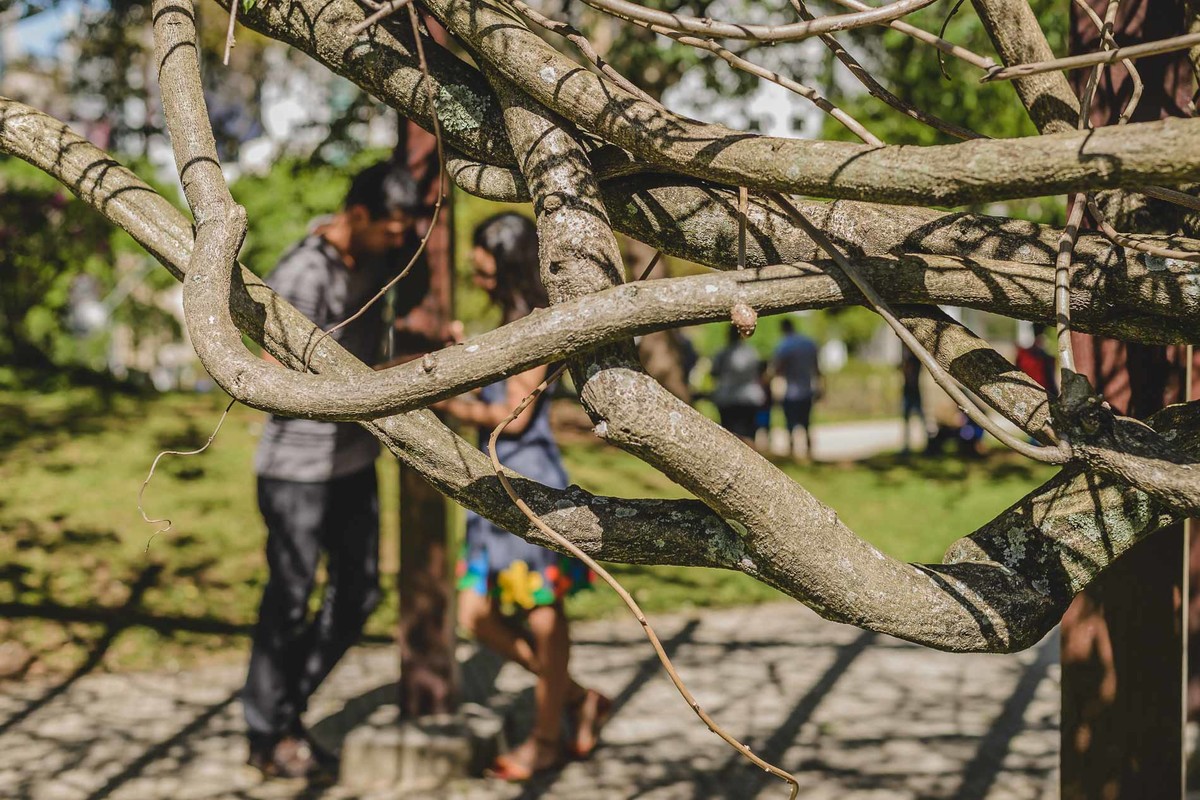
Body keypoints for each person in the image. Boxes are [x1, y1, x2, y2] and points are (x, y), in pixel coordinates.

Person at [244, 161, 425, 780]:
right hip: (296, 473)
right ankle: (268, 731)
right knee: (290, 600)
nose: (398, 242)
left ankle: (284, 710)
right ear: (358, 215)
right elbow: (272, 372)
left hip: (352, 464)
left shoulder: (372, 260)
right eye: (391, 231)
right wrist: (380, 381)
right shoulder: (303, 273)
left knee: (360, 593)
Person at [438, 213, 609, 781]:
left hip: (528, 481)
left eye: (484, 268)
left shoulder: (535, 326)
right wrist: (463, 353)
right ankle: (577, 697)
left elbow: (512, 417)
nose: (477, 276)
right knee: (475, 614)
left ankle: (545, 739)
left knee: (541, 613)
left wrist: (445, 403)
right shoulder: (508, 324)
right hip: (495, 484)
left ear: (507, 262)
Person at [772, 318, 822, 459]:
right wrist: (821, 387)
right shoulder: (808, 343)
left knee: (790, 425)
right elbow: (817, 368)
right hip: (806, 389)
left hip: (791, 391)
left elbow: (778, 369)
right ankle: (809, 452)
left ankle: (791, 452)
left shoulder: (784, 345)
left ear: (783, 328)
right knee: (807, 424)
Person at [709, 325, 767, 442]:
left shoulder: (722, 353)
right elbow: (759, 371)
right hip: (749, 398)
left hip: (728, 398)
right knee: (748, 434)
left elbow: (714, 373)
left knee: (729, 435)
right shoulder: (751, 352)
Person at [899, 347, 926, 455]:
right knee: (908, 418)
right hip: (908, 391)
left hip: (913, 391)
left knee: (920, 417)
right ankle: (907, 445)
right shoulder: (908, 357)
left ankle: (925, 443)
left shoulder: (914, 359)